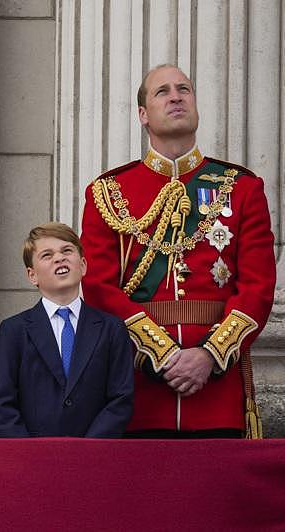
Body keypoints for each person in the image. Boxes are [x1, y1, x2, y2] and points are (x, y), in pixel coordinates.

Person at [80, 65, 276, 438]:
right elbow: (99, 288)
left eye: (184, 89)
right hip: (138, 389)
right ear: (143, 115)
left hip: (216, 392)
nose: (175, 96)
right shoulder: (108, 192)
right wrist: (163, 355)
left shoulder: (242, 188)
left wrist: (209, 356)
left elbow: (258, 287)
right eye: (162, 92)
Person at [0, 223, 134, 438]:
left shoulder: (111, 328)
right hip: (32, 458)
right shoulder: (14, 330)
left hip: (95, 454)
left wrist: (89, 448)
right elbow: (1, 402)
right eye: (47, 255)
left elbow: (121, 398)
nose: (59, 258)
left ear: (83, 265)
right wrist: (27, 452)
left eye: (67, 251)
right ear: (32, 275)